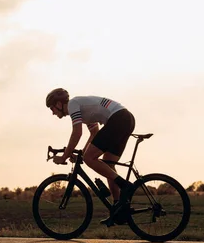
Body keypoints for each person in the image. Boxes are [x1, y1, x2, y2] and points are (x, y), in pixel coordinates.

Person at [46, 87, 136, 226]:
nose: (52, 113)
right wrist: (81, 153)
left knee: (90, 158)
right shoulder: (83, 110)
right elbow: (94, 133)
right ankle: (118, 208)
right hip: (125, 118)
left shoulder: (73, 104)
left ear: (59, 104)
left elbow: (77, 132)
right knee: (108, 164)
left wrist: (65, 156)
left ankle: (125, 185)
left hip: (118, 118)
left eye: (52, 108)